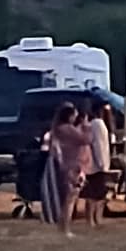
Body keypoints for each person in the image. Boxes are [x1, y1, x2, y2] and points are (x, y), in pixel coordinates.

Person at [43, 101, 90, 237]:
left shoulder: (57, 129)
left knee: (67, 199)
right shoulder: (67, 129)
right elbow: (85, 139)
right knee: (70, 199)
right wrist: (85, 126)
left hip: (63, 165)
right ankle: (66, 228)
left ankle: (63, 227)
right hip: (72, 166)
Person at [74, 96, 114, 228]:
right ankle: (93, 219)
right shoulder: (98, 124)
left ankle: (94, 219)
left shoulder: (91, 124)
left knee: (96, 194)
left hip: (92, 164)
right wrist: (103, 163)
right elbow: (100, 145)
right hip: (97, 164)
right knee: (95, 195)